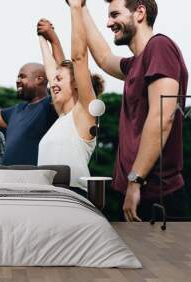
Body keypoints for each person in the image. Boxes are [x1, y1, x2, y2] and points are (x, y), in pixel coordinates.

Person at [80, 0, 188, 221]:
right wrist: (80, 8)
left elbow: (162, 117)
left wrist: (135, 180)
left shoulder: (159, 47)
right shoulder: (135, 64)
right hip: (138, 192)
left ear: (140, 13)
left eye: (115, 15)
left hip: (155, 194)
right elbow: (103, 58)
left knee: (158, 257)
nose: (109, 23)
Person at [37, 13, 105, 196]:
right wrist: (41, 38)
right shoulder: (62, 118)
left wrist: (76, 8)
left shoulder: (84, 112)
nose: (53, 83)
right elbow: (52, 72)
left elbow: (79, 58)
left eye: (59, 79)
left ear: (76, 83)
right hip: (47, 197)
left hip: (72, 195)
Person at [0, 54, 63, 165]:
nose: (17, 80)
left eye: (22, 76)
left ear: (39, 79)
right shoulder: (16, 110)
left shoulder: (51, 106)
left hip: (34, 179)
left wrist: (51, 41)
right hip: (7, 179)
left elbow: (64, 82)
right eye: (17, 77)